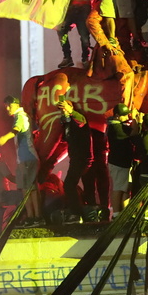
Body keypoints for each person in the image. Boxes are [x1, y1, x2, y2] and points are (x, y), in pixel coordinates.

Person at [0, 95, 42, 226]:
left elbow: (15, 130)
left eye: (9, 106)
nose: (7, 109)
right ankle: (31, 216)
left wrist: (5, 138)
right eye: (6, 107)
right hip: (22, 160)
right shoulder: (19, 117)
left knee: (31, 189)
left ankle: (37, 217)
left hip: (28, 158)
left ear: (16, 105)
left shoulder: (21, 116)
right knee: (25, 189)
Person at [58, 0, 101, 68]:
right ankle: (67, 57)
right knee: (61, 29)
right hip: (71, 6)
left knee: (84, 35)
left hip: (83, 5)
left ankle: (85, 58)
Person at [57, 95, 91, 223]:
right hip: (76, 158)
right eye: (61, 109)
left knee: (69, 184)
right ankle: (86, 214)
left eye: (65, 108)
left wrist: (69, 110)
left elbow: (81, 121)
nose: (63, 111)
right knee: (84, 187)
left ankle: (76, 214)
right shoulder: (67, 122)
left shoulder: (78, 118)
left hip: (83, 158)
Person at [106, 103, 139, 213]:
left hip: (121, 163)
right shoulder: (116, 128)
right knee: (118, 188)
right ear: (117, 116)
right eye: (124, 115)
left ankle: (124, 212)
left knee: (124, 188)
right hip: (118, 163)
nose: (127, 117)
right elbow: (134, 133)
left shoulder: (117, 125)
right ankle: (116, 213)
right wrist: (134, 119)